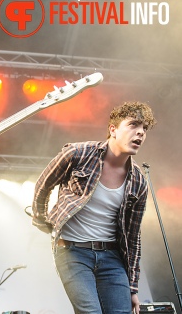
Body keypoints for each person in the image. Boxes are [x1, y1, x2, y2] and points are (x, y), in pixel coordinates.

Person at [32, 101, 156, 314]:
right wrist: (42, 220)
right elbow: (43, 185)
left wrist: (132, 288)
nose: (140, 133)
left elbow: (133, 237)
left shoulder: (139, 181)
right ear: (113, 129)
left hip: (112, 257)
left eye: (144, 129)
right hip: (73, 252)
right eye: (133, 125)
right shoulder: (77, 153)